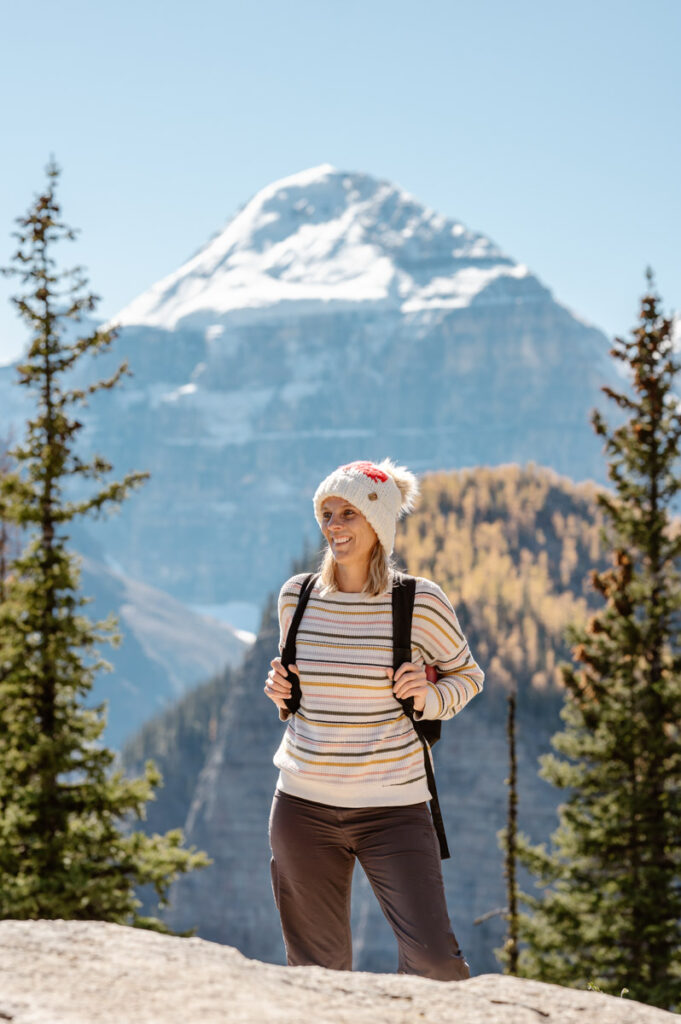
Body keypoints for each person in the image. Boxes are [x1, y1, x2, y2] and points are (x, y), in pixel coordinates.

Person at [264, 458, 484, 980]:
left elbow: (468, 677)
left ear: (378, 524)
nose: (334, 526)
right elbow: (298, 693)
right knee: (319, 973)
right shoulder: (297, 597)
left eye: (349, 514)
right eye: (327, 513)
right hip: (302, 806)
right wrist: (280, 694)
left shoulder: (419, 601)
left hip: (395, 810)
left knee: (436, 965)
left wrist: (428, 698)